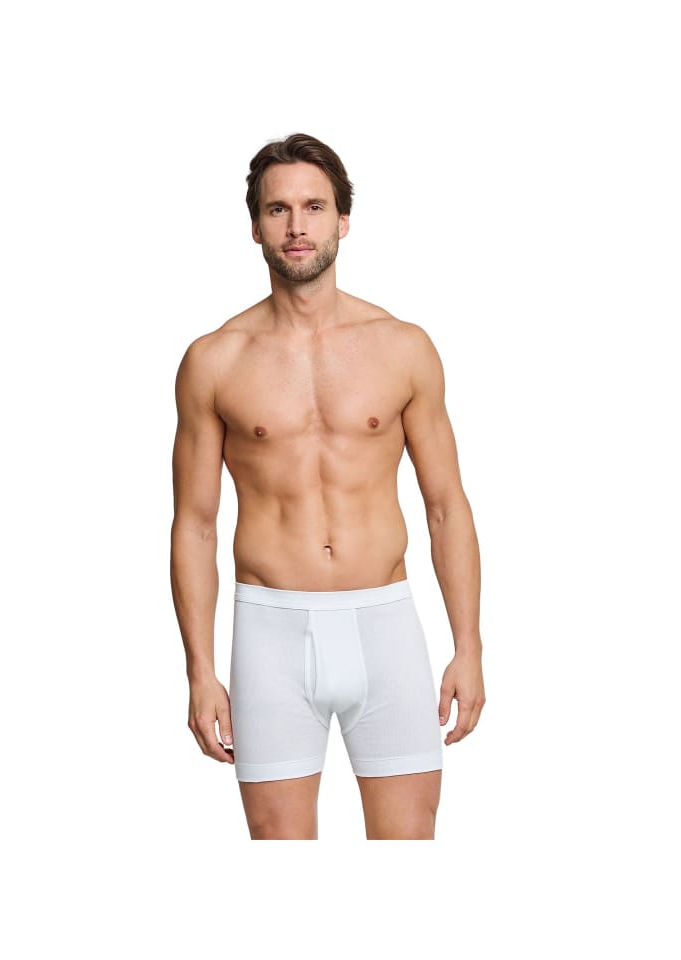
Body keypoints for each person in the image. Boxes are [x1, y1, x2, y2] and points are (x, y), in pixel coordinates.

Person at [170, 132, 485, 840]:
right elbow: (194, 523)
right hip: (270, 633)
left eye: (314, 207)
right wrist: (199, 669)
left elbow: (446, 507)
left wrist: (469, 646)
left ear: (344, 219)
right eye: (277, 209)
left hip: (386, 626)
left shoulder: (403, 347)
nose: (296, 226)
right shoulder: (214, 361)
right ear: (255, 226)